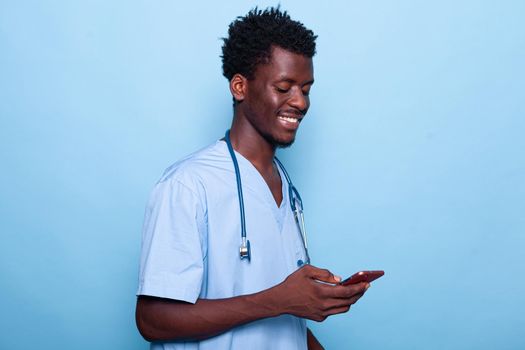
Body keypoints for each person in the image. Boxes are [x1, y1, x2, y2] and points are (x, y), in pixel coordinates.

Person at [135, 7, 369, 350]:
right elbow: (152, 319)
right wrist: (281, 300)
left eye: (306, 89)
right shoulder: (188, 185)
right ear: (240, 86)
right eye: (285, 87)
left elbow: (283, 323)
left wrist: (304, 304)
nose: (300, 102)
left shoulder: (286, 189)